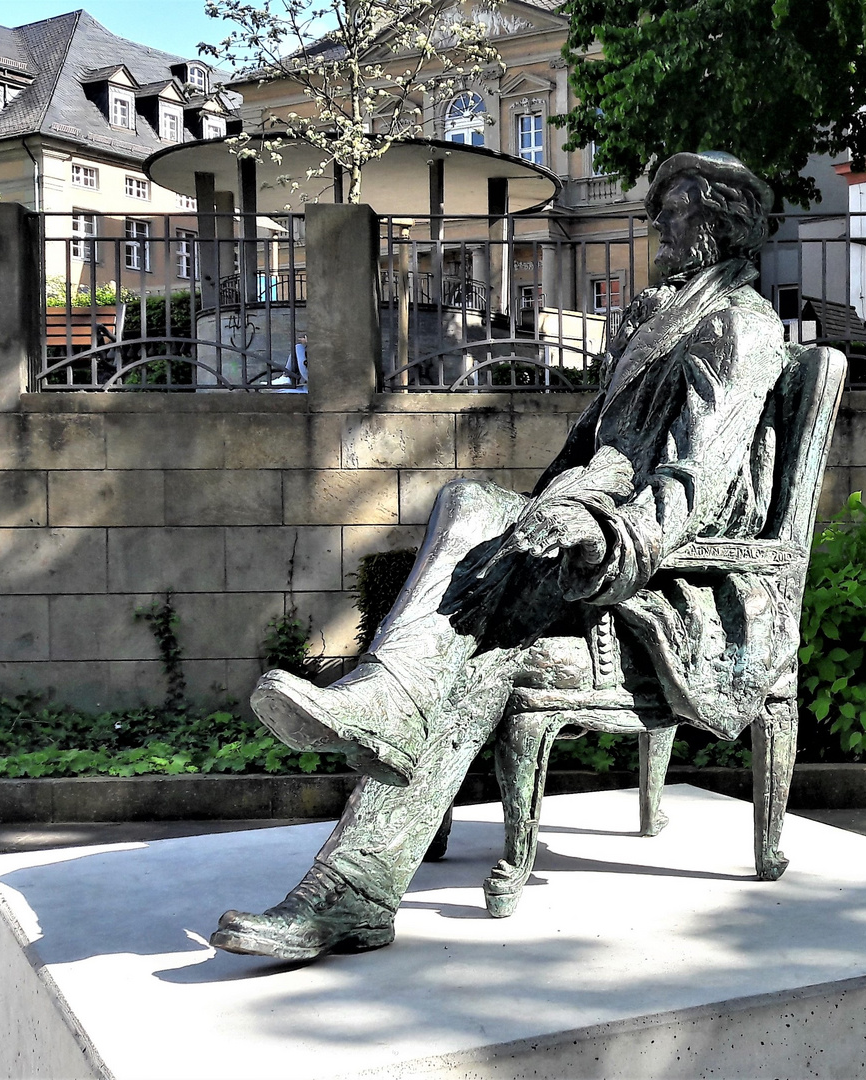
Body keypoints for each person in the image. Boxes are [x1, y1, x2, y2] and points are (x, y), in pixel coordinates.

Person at [212, 152, 800, 960]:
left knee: (472, 564)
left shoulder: (740, 325)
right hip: (595, 536)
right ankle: (352, 882)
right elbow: (593, 452)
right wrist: (549, 513)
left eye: (670, 209)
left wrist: (603, 533)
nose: (655, 224)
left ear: (714, 221)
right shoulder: (662, 317)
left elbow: (692, 479)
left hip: (676, 577)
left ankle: (364, 816)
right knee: (470, 530)